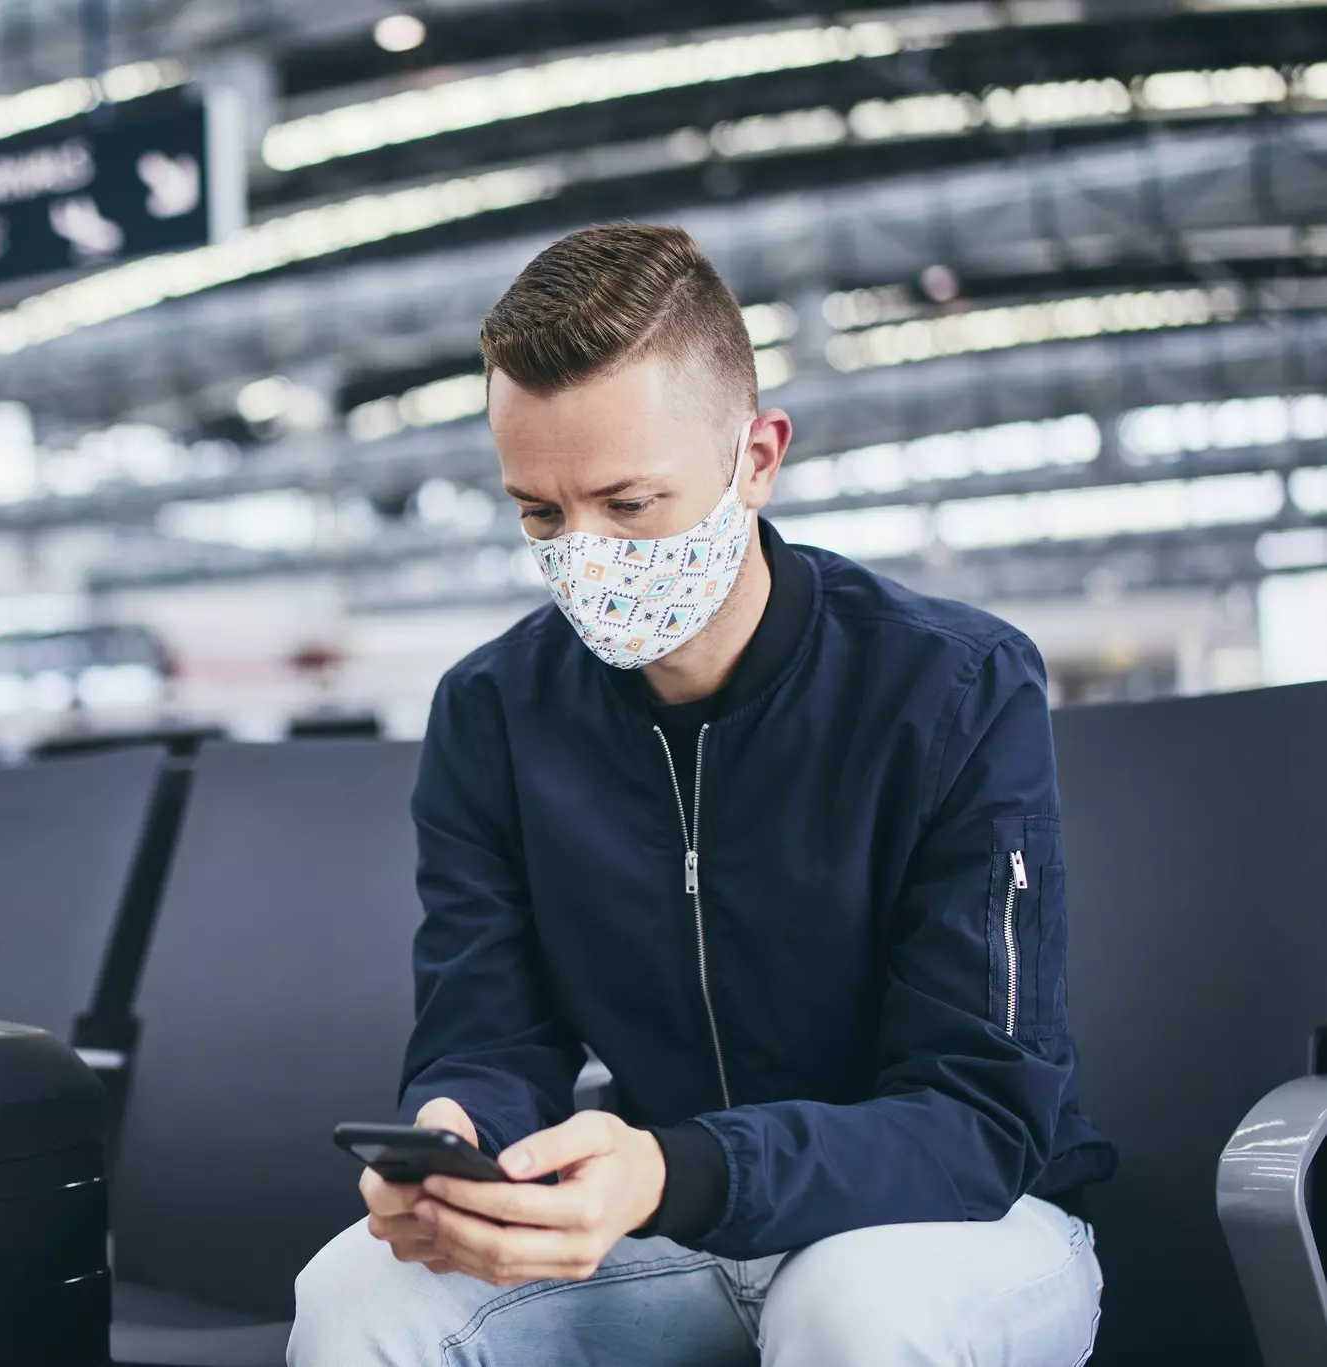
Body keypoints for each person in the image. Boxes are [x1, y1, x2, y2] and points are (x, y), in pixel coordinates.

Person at [288, 224, 1117, 1367]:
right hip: (664, 1221)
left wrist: (679, 1165)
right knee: (357, 1291)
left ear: (757, 456)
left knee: (854, 1308)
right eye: (539, 512)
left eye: (628, 504)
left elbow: (982, 1115)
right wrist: (457, 1137)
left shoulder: (954, 685)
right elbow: (489, 1030)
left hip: (948, 1217)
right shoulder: (492, 709)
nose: (584, 555)